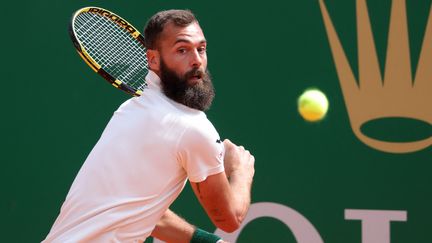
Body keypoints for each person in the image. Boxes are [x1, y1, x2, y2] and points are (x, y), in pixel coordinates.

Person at [43, 9, 255, 243]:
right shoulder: (193, 129)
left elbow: (147, 214)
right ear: (153, 59)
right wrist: (240, 171)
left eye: (201, 49)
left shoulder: (129, 111)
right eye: (182, 50)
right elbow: (228, 218)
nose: (196, 60)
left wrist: (207, 242)